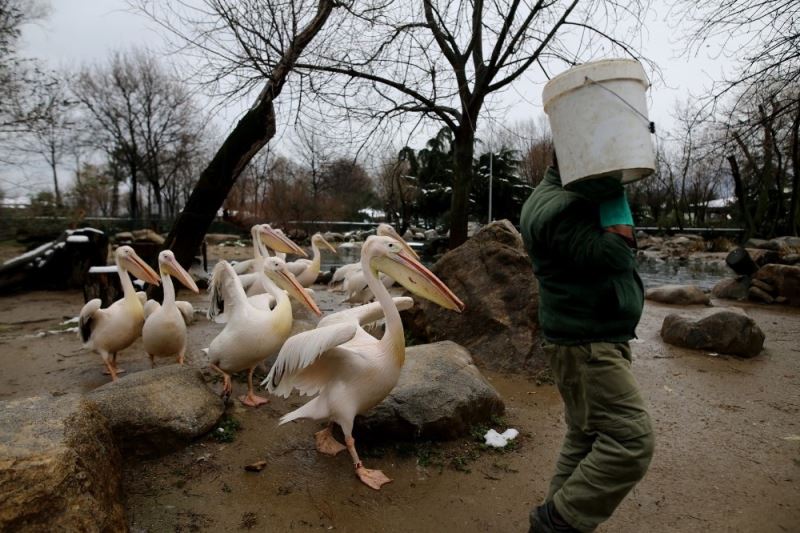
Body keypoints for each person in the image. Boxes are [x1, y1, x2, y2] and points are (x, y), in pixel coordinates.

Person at [519, 160, 655, 533]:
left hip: (587, 338)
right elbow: (615, 253)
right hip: (587, 345)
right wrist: (615, 190)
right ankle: (556, 524)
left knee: (585, 435)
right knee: (631, 439)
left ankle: (553, 522)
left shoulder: (567, 193)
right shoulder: (558, 208)